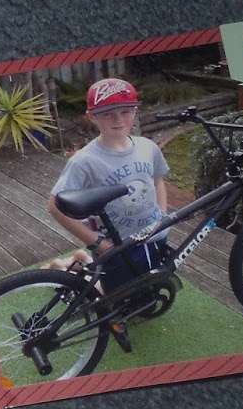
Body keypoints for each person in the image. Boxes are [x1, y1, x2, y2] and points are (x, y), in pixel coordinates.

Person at [47, 78, 169, 291]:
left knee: (146, 288)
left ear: (135, 111)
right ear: (91, 117)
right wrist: (97, 243)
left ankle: (82, 260)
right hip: (114, 246)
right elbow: (54, 206)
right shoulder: (84, 161)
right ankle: (65, 268)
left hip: (154, 236)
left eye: (125, 111)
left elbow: (157, 181)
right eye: (107, 114)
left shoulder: (148, 147)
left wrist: (162, 217)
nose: (118, 120)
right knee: (114, 297)